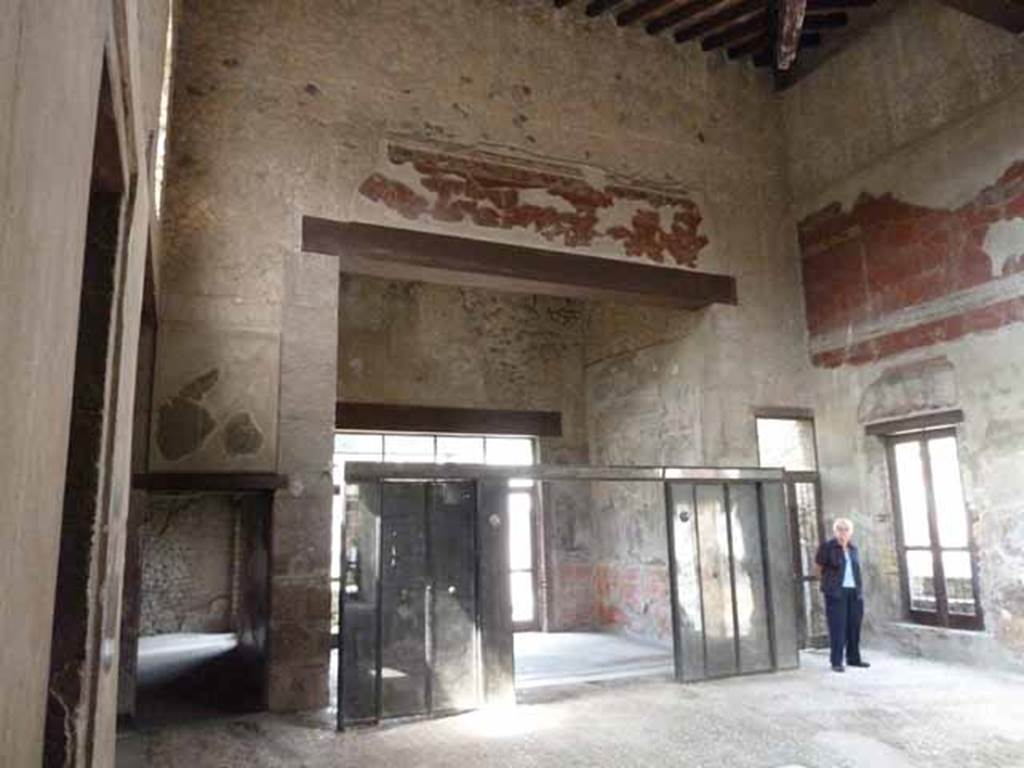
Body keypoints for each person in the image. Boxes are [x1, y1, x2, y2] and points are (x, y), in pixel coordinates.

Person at [814, 518, 870, 672]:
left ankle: (853, 658)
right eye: (839, 529)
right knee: (838, 627)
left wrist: (858, 590)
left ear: (851, 532)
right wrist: (827, 585)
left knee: (854, 625)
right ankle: (836, 661)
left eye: (846, 529)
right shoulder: (827, 547)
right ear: (835, 531)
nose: (842, 532)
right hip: (836, 592)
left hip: (854, 592)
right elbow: (818, 568)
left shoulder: (853, 549)